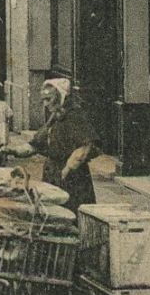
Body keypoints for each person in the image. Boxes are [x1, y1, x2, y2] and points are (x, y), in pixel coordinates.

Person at [27, 77, 99, 212]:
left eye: (49, 99)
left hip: (72, 177)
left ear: (61, 97)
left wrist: (66, 171)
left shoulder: (75, 116)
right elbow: (35, 145)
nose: (45, 104)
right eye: (43, 100)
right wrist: (10, 150)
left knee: (70, 210)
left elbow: (84, 148)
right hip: (53, 172)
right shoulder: (55, 116)